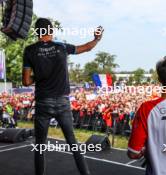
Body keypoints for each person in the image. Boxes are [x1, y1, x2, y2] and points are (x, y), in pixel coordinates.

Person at [22, 18, 104, 175]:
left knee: (40, 146)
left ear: (37, 32)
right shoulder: (61, 47)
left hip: (43, 102)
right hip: (62, 102)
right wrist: (96, 38)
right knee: (73, 144)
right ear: (51, 31)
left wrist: (38, 76)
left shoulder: (29, 50)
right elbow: (86, 48)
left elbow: (26, 81)